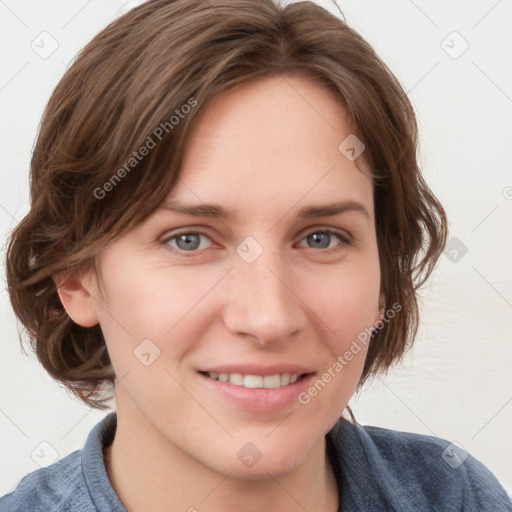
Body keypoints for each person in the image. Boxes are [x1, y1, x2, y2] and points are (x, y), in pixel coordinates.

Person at [1, 0, 510, 510]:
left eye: (321, 238)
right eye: (189, 240)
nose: (269, 318)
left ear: (384, 273)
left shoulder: (457, 496)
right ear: (74, 275)